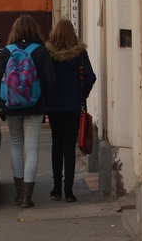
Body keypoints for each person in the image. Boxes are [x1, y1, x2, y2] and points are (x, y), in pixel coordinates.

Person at [0, 14, 56, 208]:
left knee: (16, 145)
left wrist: (1, 104)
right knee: (32, 148)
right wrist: (45, 102)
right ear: (34, 30)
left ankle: (19, 193)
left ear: (15, 30)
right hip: (35, 106)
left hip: (11, 105)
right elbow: (51, 81)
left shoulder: (7, 51)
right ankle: (27, 196)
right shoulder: (41, 51)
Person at [46, 18, 96, 203]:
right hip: (73, 106)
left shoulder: (49, 55)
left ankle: (56, 188)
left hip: (54, 106)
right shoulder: (80, 54)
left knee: (56, 146)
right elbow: (90, 77)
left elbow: (46, 79)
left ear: (55, 34)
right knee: (69, 148)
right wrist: (81, 95)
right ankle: (69, 191)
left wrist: (48, 98)